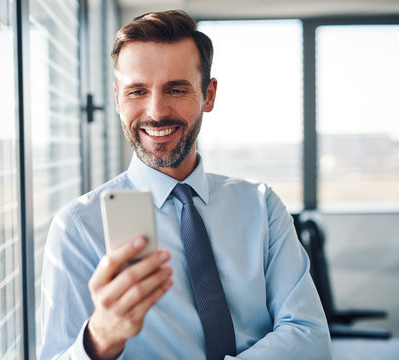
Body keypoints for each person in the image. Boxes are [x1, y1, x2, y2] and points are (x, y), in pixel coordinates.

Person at [39, 9, 332, 360]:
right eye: (137, 91)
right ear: (117, 98)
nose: (155, 111)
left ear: (208, 95)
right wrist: (100, 337)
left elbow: (309, 337)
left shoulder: (261, 207)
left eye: (175, 89)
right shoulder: (78, 227)